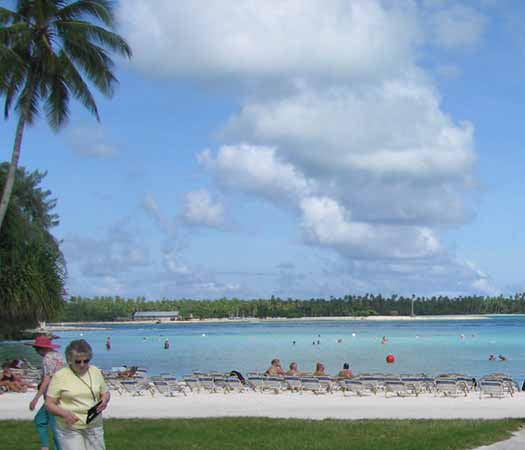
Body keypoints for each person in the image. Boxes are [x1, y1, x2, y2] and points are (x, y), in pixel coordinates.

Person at [46, 339, 110, 450]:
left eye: (86, 361)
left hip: (94, 425)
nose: (82, 365)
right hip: (70, 427)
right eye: (78, 361)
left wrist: (105, 400)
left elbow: (105, 392)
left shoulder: (95, 371)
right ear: (69, 360)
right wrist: (64, 413)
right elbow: (49, 404)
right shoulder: (60, 376)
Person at [26, 335, 64, 450]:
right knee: (41, 420)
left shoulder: (47, 358)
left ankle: (51, 447)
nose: (36, 351)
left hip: (52, 395)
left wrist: (36, 398)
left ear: (43, 348)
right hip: (61, 393)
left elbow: (47, 379)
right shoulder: (58, 355)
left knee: (53, 425)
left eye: (37, 349)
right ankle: (45, 446)